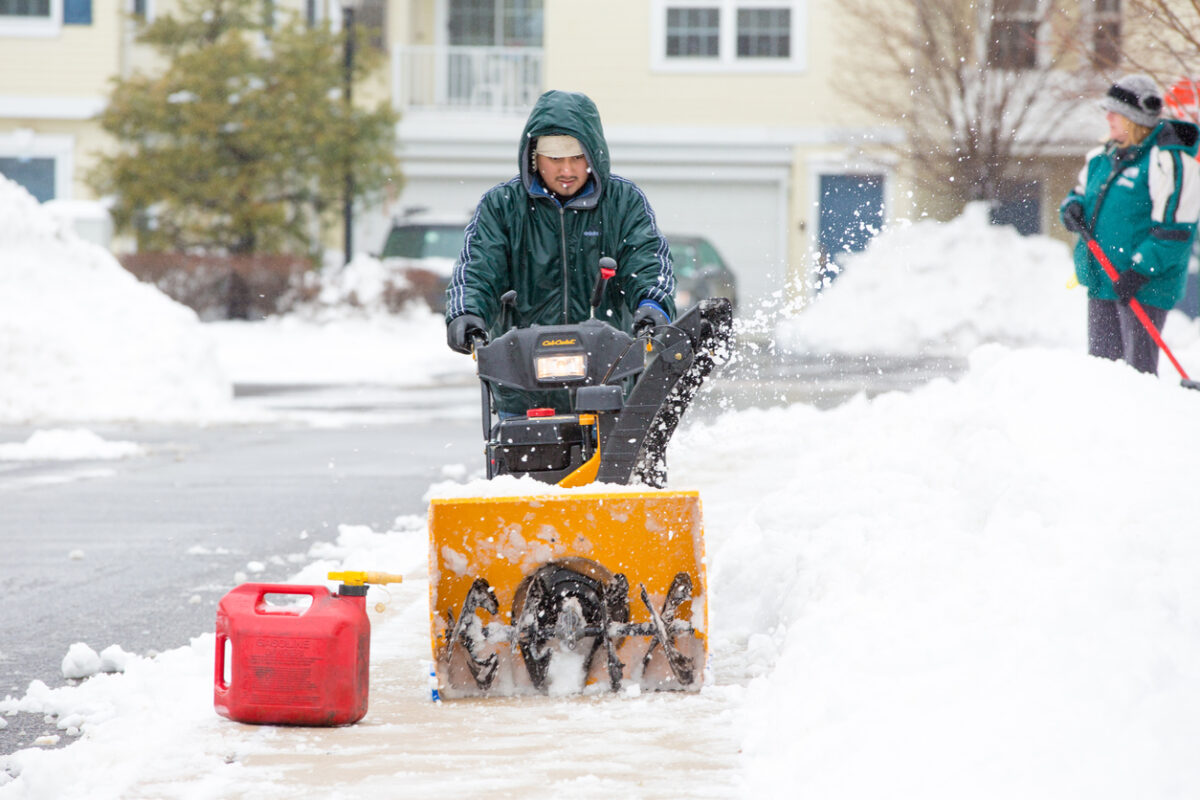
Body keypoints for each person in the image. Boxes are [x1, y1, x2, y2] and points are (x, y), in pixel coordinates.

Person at [444, 89, 676, 413]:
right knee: (523, 460)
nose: (567, 170)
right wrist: (467, 312)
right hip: (522, 386)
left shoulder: (623, 203)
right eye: (555, 159)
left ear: (594, 156)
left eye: (577, 158)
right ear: (534, 157)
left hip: (607, 380)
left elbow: (647, 259)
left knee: (621, 462)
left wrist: (651, 305)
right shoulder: (502, 207)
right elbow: (478, 267)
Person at [1060, 74, 1200, 374]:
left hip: (1143, 286)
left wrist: (1139, 271)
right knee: (1104, 375)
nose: (1107, 117)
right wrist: (1071, 208)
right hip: (1104, 279)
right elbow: (1080, 194)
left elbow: (1176, 230)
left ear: (1134, 117)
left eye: (1114, 111)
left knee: (1138, 377)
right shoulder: (1103, 158)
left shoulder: (1168, 162)